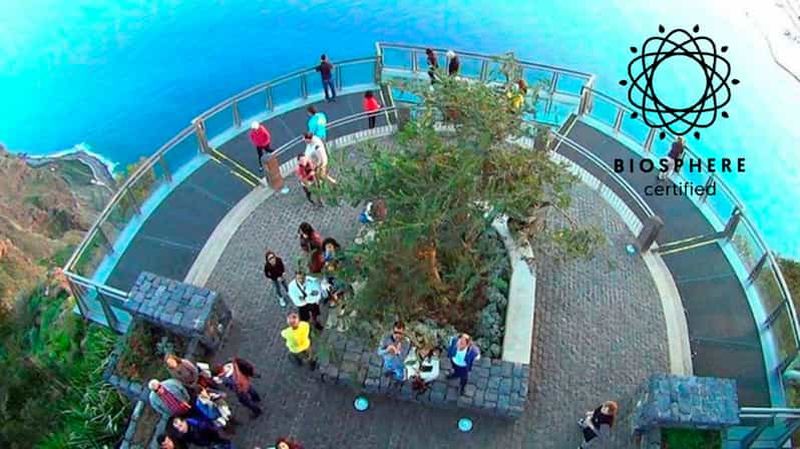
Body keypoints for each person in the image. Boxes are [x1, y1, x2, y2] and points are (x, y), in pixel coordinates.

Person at [168, 416, 233, 448]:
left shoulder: (199, 425)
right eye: (177, 428)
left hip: (217, 440)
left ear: (184, 421)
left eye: (180, 426)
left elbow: (213, 430)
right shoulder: (184, 435)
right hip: (208, 443)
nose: (180, 429)